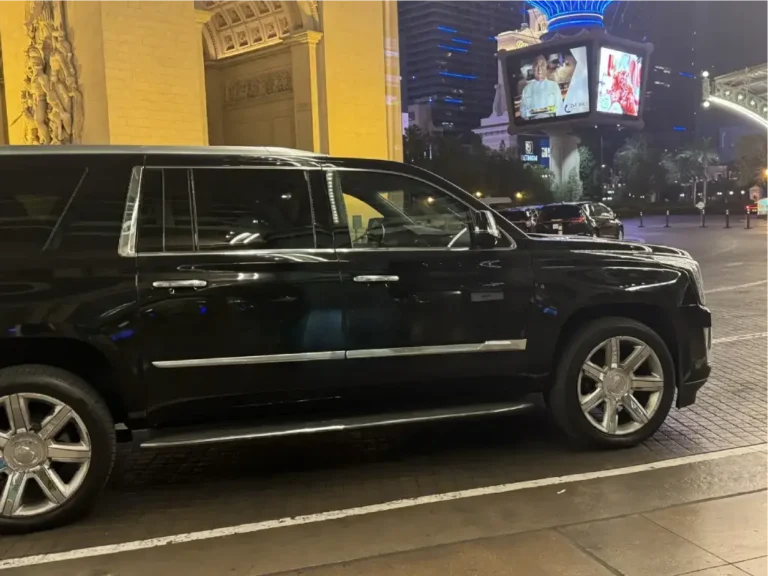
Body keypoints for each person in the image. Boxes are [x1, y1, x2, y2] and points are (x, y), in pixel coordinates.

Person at [519, 55, 562, 120]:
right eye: (537, 65)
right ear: (533, 68)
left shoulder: (554, 85)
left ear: (546, 67)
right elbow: (522, 111)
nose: (539, 69)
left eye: (542, 65)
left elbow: (560, 108)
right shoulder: (526, 89)